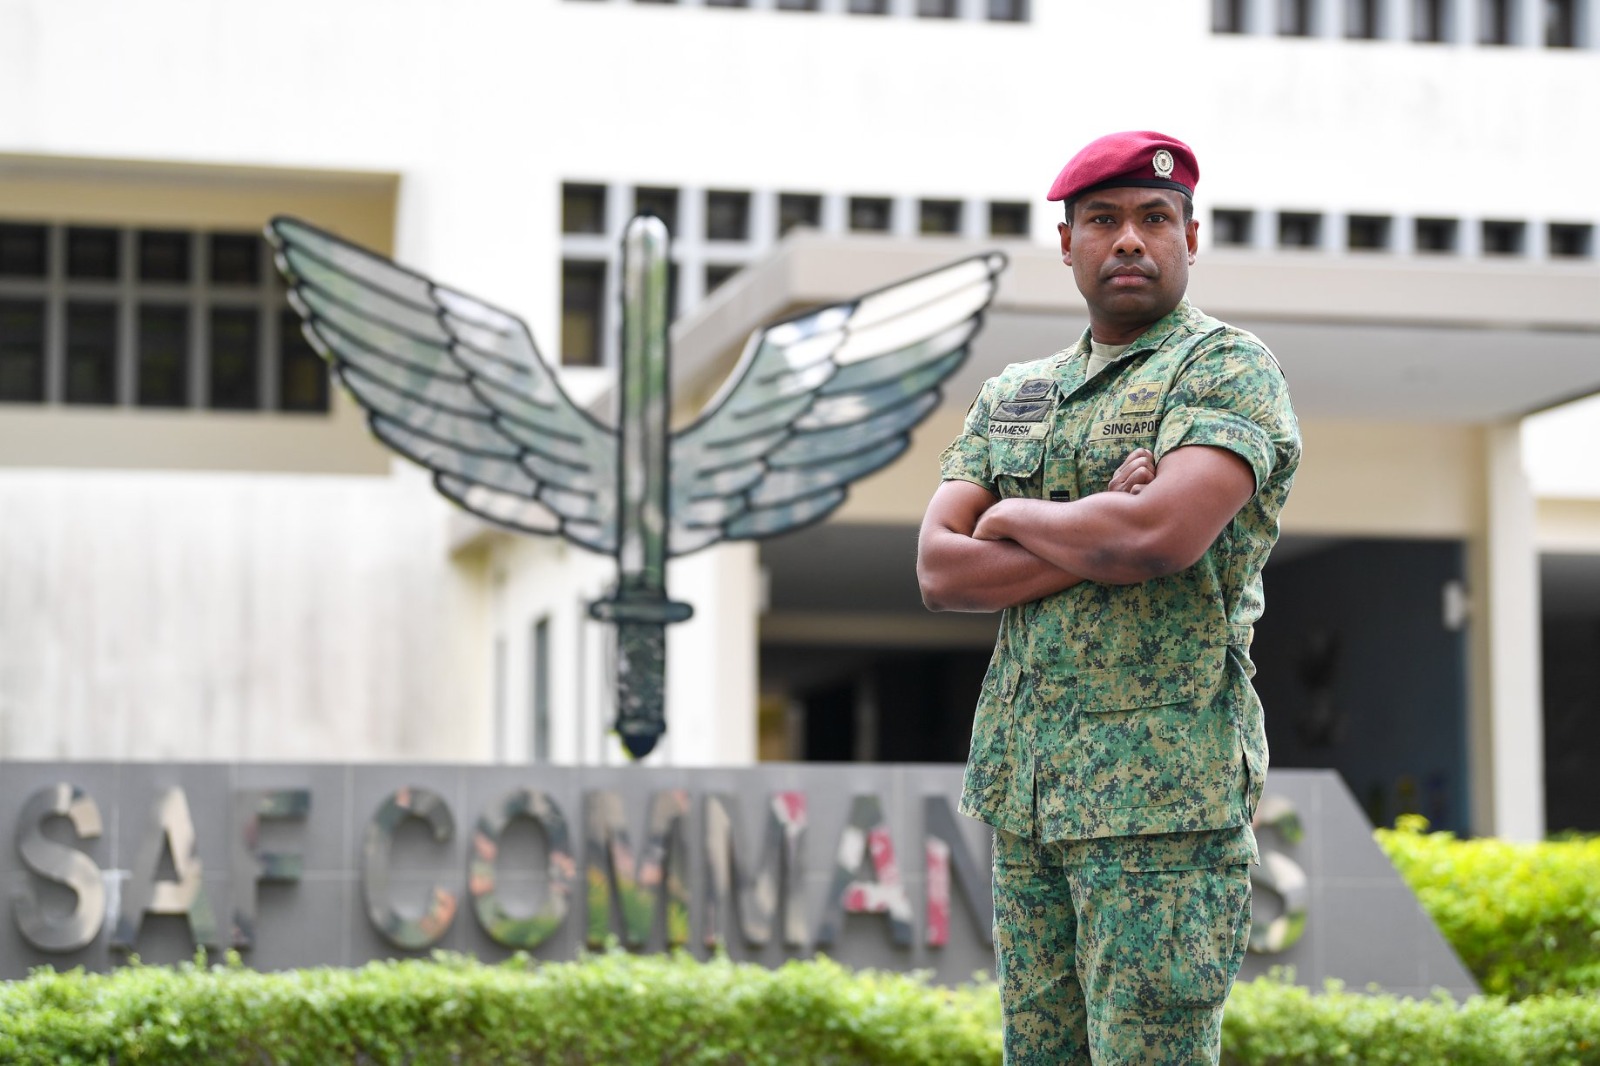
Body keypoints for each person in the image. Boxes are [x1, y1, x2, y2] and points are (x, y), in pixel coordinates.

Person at [916, 131, 1300, 1065]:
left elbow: (1157, 539)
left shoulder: (1225, 369)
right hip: (1027, 794)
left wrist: (1014, 517)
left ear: (1191, 237)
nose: (1130, 239)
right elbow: (940, 569)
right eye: (1102, 220)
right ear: (1067, 243)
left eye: (1154, 218)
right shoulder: (1017, 394)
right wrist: (1095, 522)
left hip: (1164, 803)